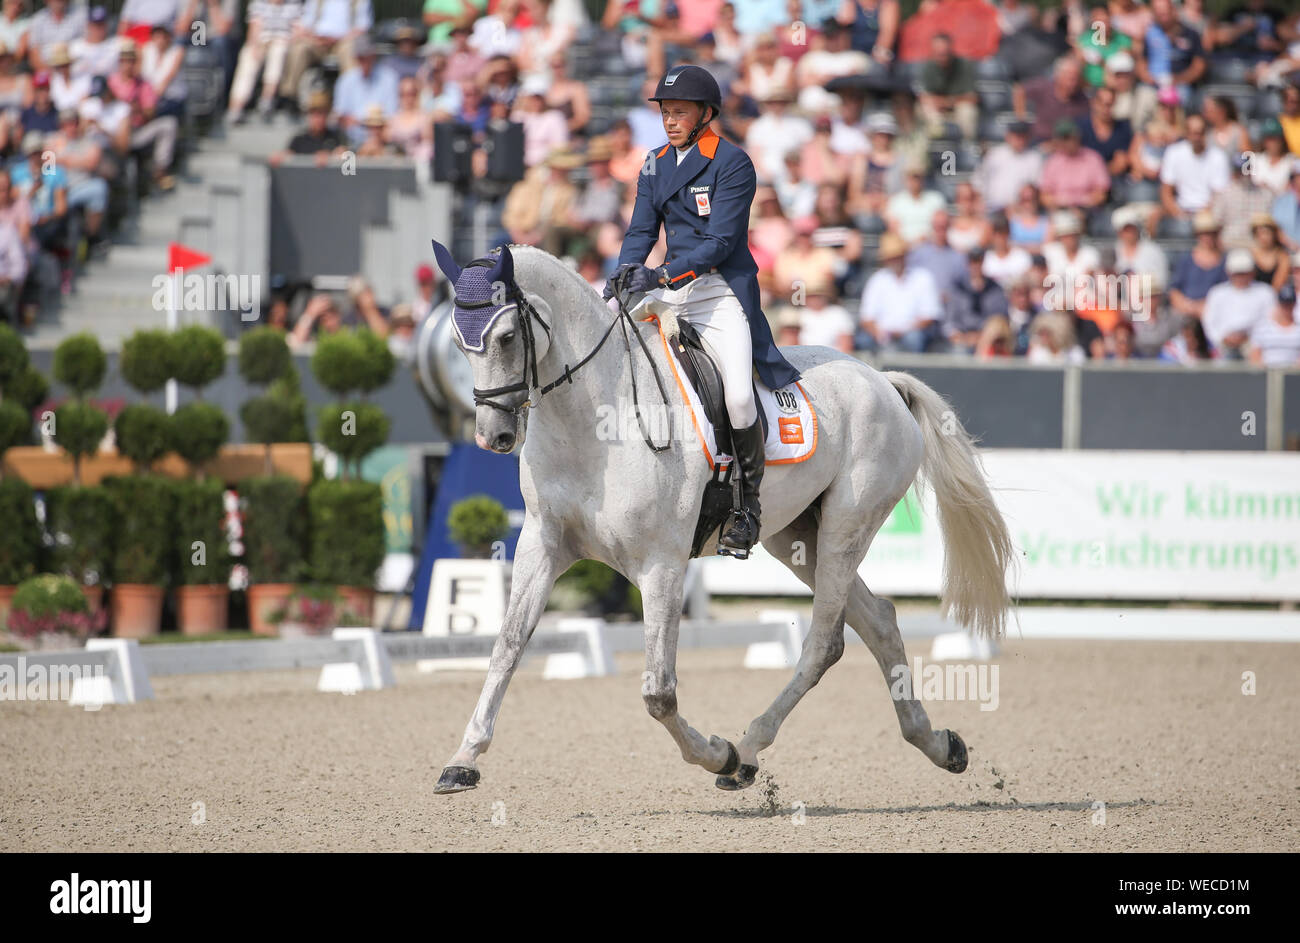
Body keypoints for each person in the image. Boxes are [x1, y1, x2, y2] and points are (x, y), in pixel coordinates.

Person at [605, 63, 801, 559]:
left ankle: (747, 506)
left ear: (704, 114)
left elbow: (721, 241)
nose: (670, 121)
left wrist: (662, 275)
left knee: (737, 398)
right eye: (665, 112)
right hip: (668, 289)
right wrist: (630, 270)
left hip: (718, 292)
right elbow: (641, 232)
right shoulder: (652, 163)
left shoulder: (732, 162)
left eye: (679, 112)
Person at [857, 231, 942, 352]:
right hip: (882, 333)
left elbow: (929, 315)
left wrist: (905, 330)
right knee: (863, 341)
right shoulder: (877, 279)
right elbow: (867, 317)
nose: (894, 261)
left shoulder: (922, 277)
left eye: (897, 256)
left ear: (905, 256)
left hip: (912, 332)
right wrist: (878, 332)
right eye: (891, 258)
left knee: (914, 339)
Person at [227, 0, 302, 124]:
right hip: (261, 41)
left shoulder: (294, 4)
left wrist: (287, 40)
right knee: (248, 57)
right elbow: (253, 29)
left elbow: (298, 32)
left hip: (283, 42)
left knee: (278, 52)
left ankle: (266, 99)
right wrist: (255, 47)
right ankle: (236, 107)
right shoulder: (258, 3)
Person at [1202, 249, 1276, 358]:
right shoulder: (1217, 293)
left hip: (1255, 345)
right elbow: (1209, 322)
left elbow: (1270, 321)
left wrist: (1251, 338)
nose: (1241, 277)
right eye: (1237, 273)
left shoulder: (1265, 292)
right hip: (1223, 345)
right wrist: (1222, 338)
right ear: (1229, 273)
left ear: (1252, 272)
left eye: (1244, 273)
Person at [973, 118, 1042, 214]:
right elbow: (979, 180)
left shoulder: (1034, 158)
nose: (1019, 139)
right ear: (1008, 136)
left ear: (1027, 137)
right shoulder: (995, 154)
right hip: (992, 208)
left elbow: (1036, 187)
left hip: (1020, 211)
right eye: (1016, 135)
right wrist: (980, 201)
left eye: (1022, 136)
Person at [1249, 283, 1300, 365]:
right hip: (1267, 374)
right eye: (1284, 305)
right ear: (1278, 304)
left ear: (1294, 305)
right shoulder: (1262, 329)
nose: (1286, 308)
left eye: (1289, 304)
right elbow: (1255, 356)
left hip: (1293, 375)